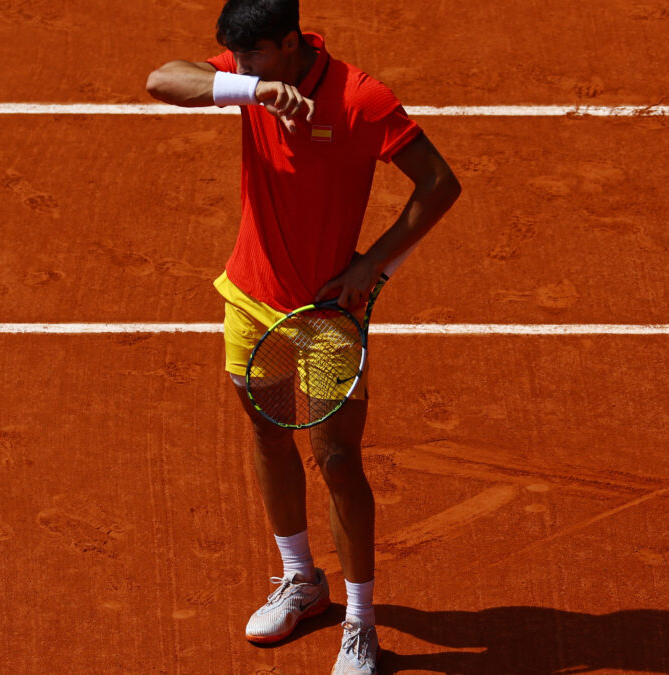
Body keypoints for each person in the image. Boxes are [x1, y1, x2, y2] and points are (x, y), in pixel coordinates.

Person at [146, 1, 460, 672]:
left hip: (326, 315)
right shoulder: (252, 76)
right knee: (267, 428)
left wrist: (375, 264)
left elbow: (439, 183)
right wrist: (250, 85)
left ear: (291, 42)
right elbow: (162, 80)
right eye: (240, 58)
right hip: (251, 298)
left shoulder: (361, 99)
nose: (245, 65)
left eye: (256, 56)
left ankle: (360, 622)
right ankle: (300, 579)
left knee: (338, 459)